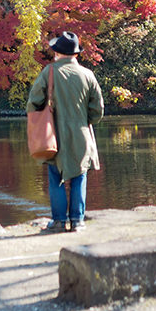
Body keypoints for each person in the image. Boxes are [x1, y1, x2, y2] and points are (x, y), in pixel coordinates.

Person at [26, 31, 104, 233]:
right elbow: (98, 110)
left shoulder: (49, 72)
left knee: (55, 176)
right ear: (76, 54)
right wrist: (84, 121)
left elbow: (33, 103)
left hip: (54, 136)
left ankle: (59, 221)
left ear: (58, 53)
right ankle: (78, 221)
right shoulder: (88, 75)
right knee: (79, 176)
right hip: (81, 135)